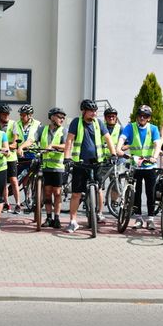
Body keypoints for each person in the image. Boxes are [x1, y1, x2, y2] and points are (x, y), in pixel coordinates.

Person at [63, 99, 117, 233]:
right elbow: (69, 140)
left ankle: (99, 213)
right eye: (91, 111)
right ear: (84, 111)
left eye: (95, 111)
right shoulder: (76, 122)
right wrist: (67, 157)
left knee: (98, 189)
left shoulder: (98, 123)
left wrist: (113, 154)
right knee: (76, 194)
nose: (94, 113)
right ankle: (73, 221)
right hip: (80, 163)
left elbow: (108, 138)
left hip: (96, 162)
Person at [116, 105, 162, 230]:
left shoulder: (153, 129)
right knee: (136, 193)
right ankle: (138, 218)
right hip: (135, 166)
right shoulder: (130, 127)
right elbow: (122, 138)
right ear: (137, 116)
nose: (142, 118)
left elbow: (158, 144)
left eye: (145, 116)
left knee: (150, 193)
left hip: (149, 166)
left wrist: (155, 156)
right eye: (140, 115)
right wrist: (118, 148)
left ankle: (150, 219)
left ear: (149, 118)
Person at [22, 107, 67, 229]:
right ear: (52, 117)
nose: (62, 119)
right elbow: (31, 140)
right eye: (59, 117)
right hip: (45, 166)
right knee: (47, 193)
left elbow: (66, 145)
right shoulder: (42, 129)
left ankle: (57, 218)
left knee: (57, 193)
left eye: (63, 117)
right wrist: (22, 147)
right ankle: (48, 217)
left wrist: (53, 146)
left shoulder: (64, 131)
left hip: (58, 167)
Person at [15, 104, 41, 213]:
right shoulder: (17, 124)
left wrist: (22, 146)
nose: (21, 117)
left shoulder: (37, 124)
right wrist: (18, 147)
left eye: (23, 115)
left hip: (33, 153)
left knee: (33, 176)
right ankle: (26, 199)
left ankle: (35, 198)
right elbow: (15, 137)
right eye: (20, 115)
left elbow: (32, 139)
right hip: (21, 154)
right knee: (20, 178)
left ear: (30, 115)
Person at [0, 103, 21, 214]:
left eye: (8, 114)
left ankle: (18, 204)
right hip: (0, 158)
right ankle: (6, 203)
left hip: (11, 157)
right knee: (3, 183)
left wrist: (1, 147)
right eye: (4, 114)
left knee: (14, 181)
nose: (7, 116)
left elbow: (15, 144)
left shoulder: (13, 124)